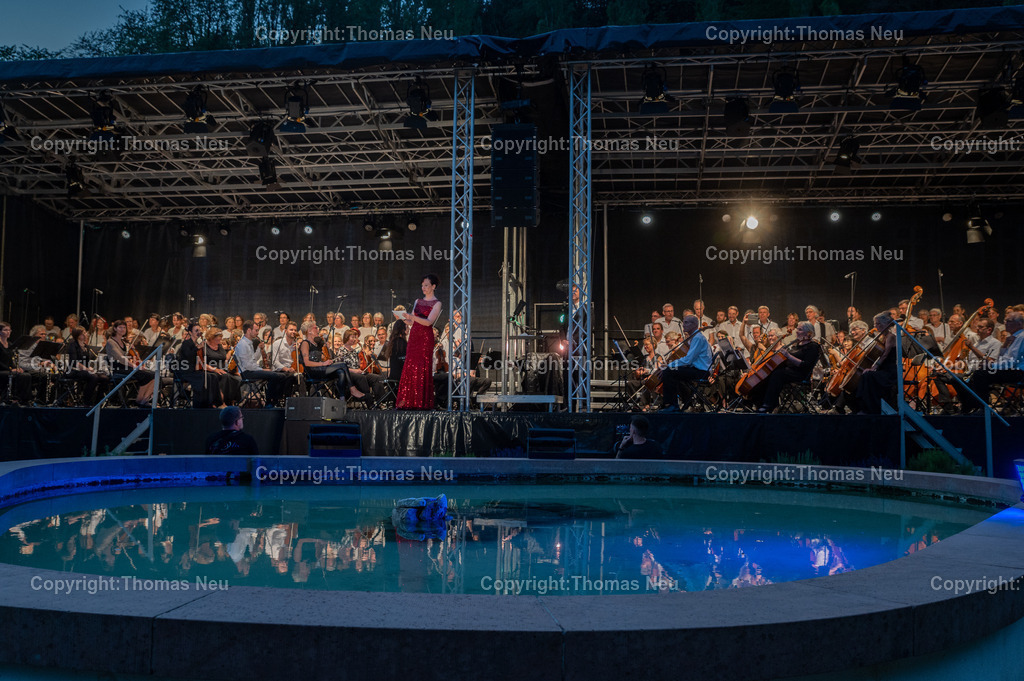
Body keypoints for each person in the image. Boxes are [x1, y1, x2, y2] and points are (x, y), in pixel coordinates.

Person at [395, 274, 442, 409]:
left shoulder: (437, 303)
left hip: (425, 338)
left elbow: (428, 322)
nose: (423, 288)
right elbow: (412, 321)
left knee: (422, 367)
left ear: (433, 286)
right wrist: (403, 318)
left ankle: (421, 402)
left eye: (426, 285)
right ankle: (408, 401)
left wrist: (412, 317)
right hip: (414, 336)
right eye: (422, 285)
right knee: (410, 366)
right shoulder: (417, 301)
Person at [754, 321, 821, 413]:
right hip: (789, 371)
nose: (796, 331)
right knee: (768, 373)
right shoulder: (797, 344)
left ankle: (769, 405)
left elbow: (805, 365)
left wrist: (788, 356)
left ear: (808, 333)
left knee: (777, 374)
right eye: (797, 328)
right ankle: (759, 402)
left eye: (800, 329)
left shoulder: (813, 346)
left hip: (800, 374)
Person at [660, 315, 712, 413]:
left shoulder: (697, 338)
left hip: (701, 371)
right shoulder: (694, 337)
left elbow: (688, 360)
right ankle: (686, 403)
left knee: (669, 371)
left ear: (694, 325)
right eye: (684, 322)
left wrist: (670, 364)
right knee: (675, 374)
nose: (683, 325)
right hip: (698, 369)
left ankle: (671, 405)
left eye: (686, 322)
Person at [233, 320, 291, 406]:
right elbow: (248, 366)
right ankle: (270, 401)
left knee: (282, 375)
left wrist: (259, 349)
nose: (257, 333)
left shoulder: (248, 343)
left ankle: (277, 400)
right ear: (249, 330)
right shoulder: (243, 345)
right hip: (247, 373)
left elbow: (253, 359)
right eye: (256, 330)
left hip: (251, 370)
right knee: (274, 375)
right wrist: (262, 369)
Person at [856, 312, 899, 414]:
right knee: (865, 375)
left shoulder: (890, 336)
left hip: (890, 371)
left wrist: (873, 368)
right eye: (875, 324)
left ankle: (870, 408)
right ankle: (862, 406)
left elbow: (885, 355)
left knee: (868, 376)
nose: (876, 326)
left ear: (886, 324)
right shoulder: (882, 337)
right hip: (882, 369)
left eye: (878, 323)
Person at [0, 321, 33, 404]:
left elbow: (11, 360)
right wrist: (11, 370)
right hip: (2, 370)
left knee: (26, 374)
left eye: (9, 330)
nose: (8, 332)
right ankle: (21, 399)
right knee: (23, 376)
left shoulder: (10, 344)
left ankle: (24, 400)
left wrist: (17, 368)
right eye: (5, 330)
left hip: (8, 370)